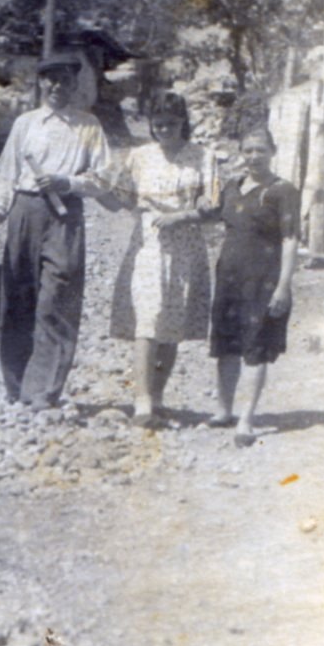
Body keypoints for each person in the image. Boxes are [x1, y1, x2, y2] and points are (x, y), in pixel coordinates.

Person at [0, 53, 112, 410]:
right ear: (40, 83)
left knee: (57, 297)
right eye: (50, 79)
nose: (57, 86)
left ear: (75, 83)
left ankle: (43, 390)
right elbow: (6, 174)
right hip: (24, 212)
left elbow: (104, 178)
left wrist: (66, 182)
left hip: (65, 216)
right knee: (18, 298)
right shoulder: (26, 124)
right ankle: (16, 385)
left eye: (65, 79)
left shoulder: (89, 126)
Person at [106, 92, 220, 427]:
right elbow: (120, 196)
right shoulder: (140, 156)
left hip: (186, 245)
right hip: (149, 244)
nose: (164, 130)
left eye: (171, 123)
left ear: (183, 121)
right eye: (158, 124)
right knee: (148, 316)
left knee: (172, 320)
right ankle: (141, 403)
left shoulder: (203, 156)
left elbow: (213, 204)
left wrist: (185, 214)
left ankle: (157, 398)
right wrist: (96, 188)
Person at [209, 126, 300, 446]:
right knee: (226, 346)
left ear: (273, 152)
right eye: (248, 150)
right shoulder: (232, 187)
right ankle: (223, 410)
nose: (254, 157)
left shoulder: (283, 190)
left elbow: (290, 239)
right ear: (240, 153)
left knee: (255, 348)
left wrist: (283, 286)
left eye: (261, 150)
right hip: (229, 277)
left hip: (263, 280)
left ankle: (246, 420)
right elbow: (215, 216)